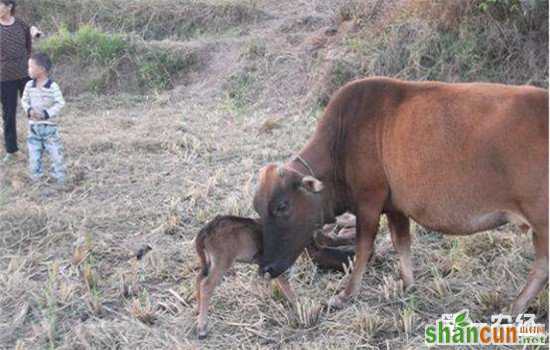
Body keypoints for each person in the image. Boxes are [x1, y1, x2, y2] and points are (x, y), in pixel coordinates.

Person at [21, 52, 66, 186]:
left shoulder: (52, 86)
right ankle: (36, 181)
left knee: (56, 155)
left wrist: (46, 114)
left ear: (41, 69)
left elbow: (60, 103)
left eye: (30, 67)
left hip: (49, 128)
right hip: (33, 128)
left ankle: (61, 181)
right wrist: (29, 110)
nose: (28, 69)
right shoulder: (29, 85)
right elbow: (24, 100)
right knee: (34, 157)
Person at [0, 0, 32, 163]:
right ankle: (12, 150)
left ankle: (38, 142)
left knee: (32, 109)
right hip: (4, 78)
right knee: (9, 113)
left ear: (9, 6)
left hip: (25, 74)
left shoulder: (21, 25)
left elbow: (28, 46)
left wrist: (28, 65)